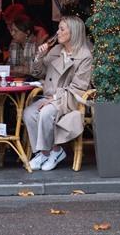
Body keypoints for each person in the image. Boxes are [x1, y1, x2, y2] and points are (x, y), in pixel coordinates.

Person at [25, 16, 93, 171]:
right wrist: (39, 56)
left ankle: (53, 151)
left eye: (62, 29)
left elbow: (79, 87)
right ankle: (46, 153)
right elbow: (38, 73)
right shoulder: (55, 50)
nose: (58, 32)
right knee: (29, 113)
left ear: (73, 32)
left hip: (69, 99)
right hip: (50, 97)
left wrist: (55, 98)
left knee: (46, 112)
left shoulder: (84, 55)